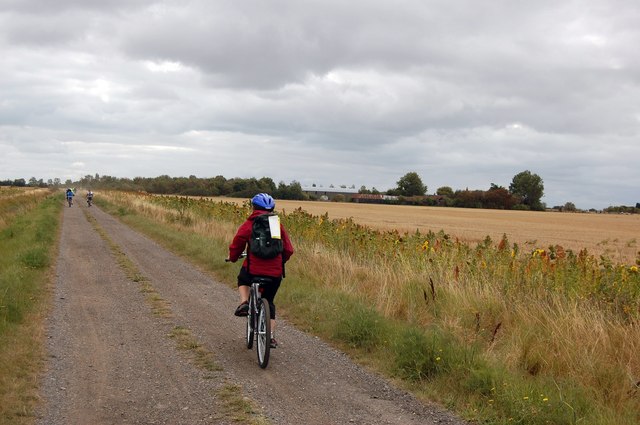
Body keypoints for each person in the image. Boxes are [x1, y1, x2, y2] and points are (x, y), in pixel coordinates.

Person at [227, 193, 294, 348]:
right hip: (275, 273)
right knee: (269, 301)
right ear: (272, 209)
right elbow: (289, 250)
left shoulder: (250, 224)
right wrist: (280, 261)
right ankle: (270, 337)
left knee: (243, 279)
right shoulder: (277, 226)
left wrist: (232, 257)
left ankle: (244, 303)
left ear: (254, 207)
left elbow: (237, 244)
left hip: (253, 271)